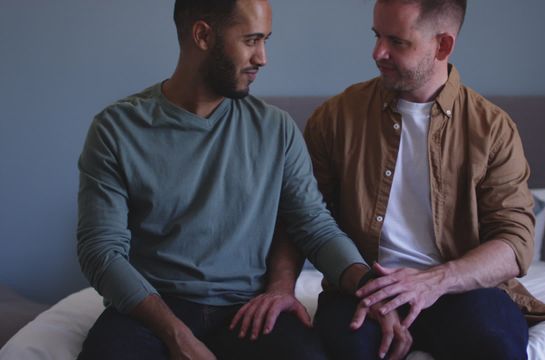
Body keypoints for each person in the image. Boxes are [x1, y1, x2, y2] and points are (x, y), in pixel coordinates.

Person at [75, 1, 372, 359]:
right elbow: (101, 251)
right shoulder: (116, 129)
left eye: (265, 41)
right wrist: (177, 336)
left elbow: (315, 226)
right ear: (202, 35)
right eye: (251, 40)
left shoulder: (275, 129)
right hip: (154, 309)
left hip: (247, 309)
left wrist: (368, 285)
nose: (262, 58)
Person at [302, 0, 545, 359]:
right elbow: (305, 219)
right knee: (347, 349)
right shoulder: (336, 118)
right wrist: (363, 283)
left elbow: (514, 242)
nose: (378, 52)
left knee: (495, 344)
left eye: (397, 41)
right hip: (362, 289)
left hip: (461, 292)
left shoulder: (492, 129)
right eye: (377, 36)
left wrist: (435, 281)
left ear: (443, 45)